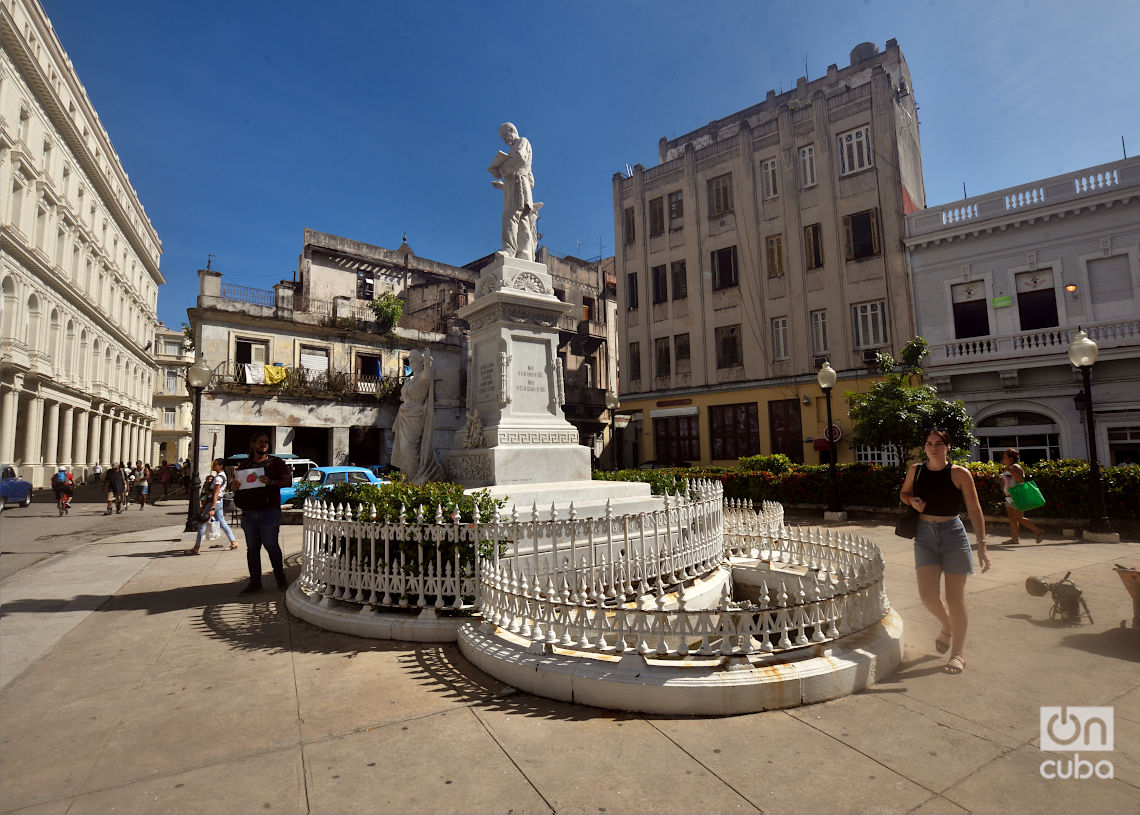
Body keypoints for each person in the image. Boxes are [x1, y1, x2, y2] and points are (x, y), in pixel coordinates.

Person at [899, 428, 990, 675]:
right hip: (925, 536)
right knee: (928, 596)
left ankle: (958, 654)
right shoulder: (915, 470)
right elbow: (904, 493)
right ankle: (948, 626)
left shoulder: (960, 473)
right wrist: (911, 501)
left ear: (948, 447)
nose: (933, 448)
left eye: (939, 443)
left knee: (954, 598)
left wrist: (981, 544)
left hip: (953, 535)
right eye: (929, 443)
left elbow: (974, 508)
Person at [233, 431, 291, 594]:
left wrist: (271, 481)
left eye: (266, 442)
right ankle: (255, 582)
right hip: (249, 512)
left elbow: (288, 481)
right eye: (260, 442)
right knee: (252, 548)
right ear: (252, 445)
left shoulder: (276, 463)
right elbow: (236, 486)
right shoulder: (244, 465)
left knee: (271, 545)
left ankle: (280, 578)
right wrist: (235, 485)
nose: (264, 444)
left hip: (269, 511)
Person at [390, 348, 444, 485]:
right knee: (403, 448)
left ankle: (414, 477)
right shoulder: (410, 380)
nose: (411, 363)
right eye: (410, 360)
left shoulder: (423, 378)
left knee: (409, 447)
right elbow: (403, 396)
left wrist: (427, 363)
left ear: (420, 363)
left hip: (416, 415)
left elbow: (427, 375)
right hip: (404, 414)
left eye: (414, 360)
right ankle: (407, 477)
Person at [489, 122, 541, 261]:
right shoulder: (515, 147)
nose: (505, 140)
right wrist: (502, 185)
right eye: (502, 138)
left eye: (505, 135)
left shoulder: (522, 142)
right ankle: (525, 255)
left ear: (512, 131)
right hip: (518, 186)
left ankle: (509, 250)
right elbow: (531, 179)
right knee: (522, 221)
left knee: (510, 216)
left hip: (519, 185)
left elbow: (519, 158)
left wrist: (500, 170)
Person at [186, 459, 238, 555]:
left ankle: (196, 547)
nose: (213, 466)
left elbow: (216, 493)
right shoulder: (222, 476)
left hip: (214, 502)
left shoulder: (218, 478)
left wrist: (212, 508)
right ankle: (233, 542)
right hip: (218, 502)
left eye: (215, 465)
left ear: (220, 466)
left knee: (202, 523)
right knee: (222, 522)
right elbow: (215, 492)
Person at [1000, 448, 1043, 545]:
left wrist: (1010, 471)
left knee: (1019, 518)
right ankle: (1014, 539)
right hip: (1009, 497)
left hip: (1017, 496)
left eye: (1005, 457)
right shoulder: (1009, 467)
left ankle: (1038, 531)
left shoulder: (1015, 467)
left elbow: (1020, 480)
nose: (1003, 459)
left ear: (1011, 458)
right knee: (1011, 518)